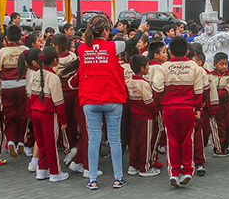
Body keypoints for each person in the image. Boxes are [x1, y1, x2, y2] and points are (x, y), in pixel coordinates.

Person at [78, 14, 139, 189]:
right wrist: (141, 31)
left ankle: (92, 179)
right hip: (112, 97)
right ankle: (118, 178)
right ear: (106, 31)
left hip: (90, 98)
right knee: (115, 140)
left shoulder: (82, 49)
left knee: (93, 140)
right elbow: (132, 43)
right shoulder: (113, 46)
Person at [151, 36, 204, 187]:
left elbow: (157, 88)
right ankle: (187, 170)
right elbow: (198, 91)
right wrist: (198, 108)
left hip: (169, 109)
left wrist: (160, 103)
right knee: (188, 139)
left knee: (172, 140)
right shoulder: (195, 67)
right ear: (187, 52)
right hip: (188, 108)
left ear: (170, 52)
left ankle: (174, 173)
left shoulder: (164, 67)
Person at [27, 47, 69, 182]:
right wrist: (63, 120)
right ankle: (55, 172)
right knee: (51, 143)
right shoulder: (53, 78)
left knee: (41, 142)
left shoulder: (34, 74)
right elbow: (59, 102)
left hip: (35, 112)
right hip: (48, 114)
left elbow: (29, 95)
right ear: (56, 61)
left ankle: (42, 169)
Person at [0, 25, 29, 158]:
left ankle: (11, 140)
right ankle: (21, 141)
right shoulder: (25, 50)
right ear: (21, 37)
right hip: (23, 86)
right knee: (22, 114)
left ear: (6, 38)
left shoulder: (2, 52)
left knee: (9, 114)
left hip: (7, 86)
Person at [125, 54, 160, 177]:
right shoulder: (143, 83)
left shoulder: (130, 81)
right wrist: (156, 113)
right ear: (142, 68)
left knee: (134, 141)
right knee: (145, 142)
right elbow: (149, 102)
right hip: (145, 117)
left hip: (134, 115)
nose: (148, 69)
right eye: (147, 67)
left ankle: (133, 165)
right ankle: (145, 167)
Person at [208, 52, 229, 157]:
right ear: (215, 65)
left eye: (226, 64)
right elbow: (209, 89)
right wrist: (215, 95)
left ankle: (225, 145)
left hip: (226, 104)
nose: (224, 67)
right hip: (215, 105)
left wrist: (216, 93)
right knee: (219, 128)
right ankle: (219, 148)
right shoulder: (211, 75)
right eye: (221, 64)